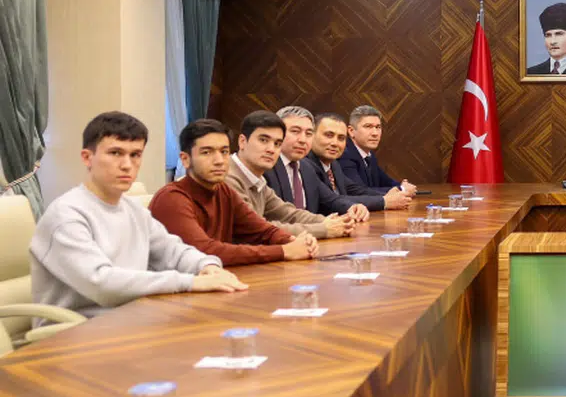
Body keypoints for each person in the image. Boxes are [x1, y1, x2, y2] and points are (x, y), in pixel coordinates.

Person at [29, 112, 247, 322]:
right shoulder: (66, 215)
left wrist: (206, 266)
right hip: (75, 331)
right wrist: (190, 282)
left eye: (135, 155)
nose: (127, 165)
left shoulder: (134, 210)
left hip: (131, 317)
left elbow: (173, 251)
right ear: (87, 158)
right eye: (115, 153)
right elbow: (102, 284)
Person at [151, 119, 317, 266]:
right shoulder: (171, 198)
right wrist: (283, 251)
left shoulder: (223, 191)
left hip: (215, 280)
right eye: (207, 152)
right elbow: (203, 250)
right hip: (176, 288)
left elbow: (262, 230)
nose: (219, 161)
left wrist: (294, 241)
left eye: (224, 152)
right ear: (185, 159)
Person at [225, 110, 353, 240]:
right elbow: (256, 227)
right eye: (263, 140)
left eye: (277, 144)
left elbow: (288, 214)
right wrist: (323, 229)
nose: (271, 149)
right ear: (242, 141)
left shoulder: (257, 178)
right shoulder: (227, 177)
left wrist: (335, 222)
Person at [264, 106, 370, 222]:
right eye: (295, 131)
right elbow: (276, 219)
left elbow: (331, 200)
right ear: (277, 134)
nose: (303, 140)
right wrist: (323, 225)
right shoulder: (265, 167)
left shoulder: (307, 167)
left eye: (308, 133)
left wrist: (353, 207)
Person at [308, 112, 411, 211]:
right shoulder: (306, 165)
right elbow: (333, 200)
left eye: (341, 138)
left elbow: (356, 190)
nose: (335, 143)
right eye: (329, 135)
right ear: (311, 135)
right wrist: (384, 201)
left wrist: (391, 196)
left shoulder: (333, 164)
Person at [339, 104, 418, 196]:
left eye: (378, 127)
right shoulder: (344, 154)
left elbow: (386, 181)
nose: (375, 133)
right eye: (368, 126)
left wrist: (402, 186)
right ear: (351, 131)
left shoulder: (369, 154)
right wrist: (402, 189)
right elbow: (358, 191)